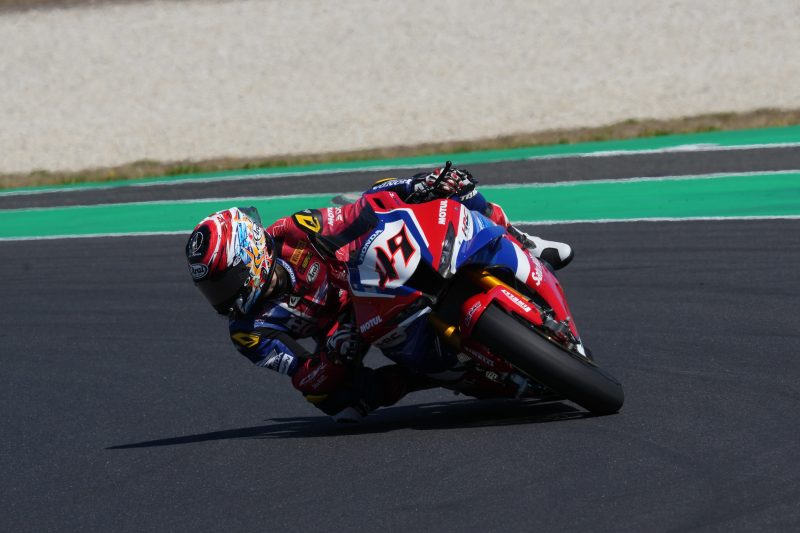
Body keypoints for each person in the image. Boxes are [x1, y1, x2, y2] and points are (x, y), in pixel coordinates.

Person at [185, 163, 573, 421]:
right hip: (346, 332)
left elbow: (356, 213)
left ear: (251, 253)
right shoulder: (248, 332)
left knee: (414, 188)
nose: (222, 297)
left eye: (225, 282)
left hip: (368, 277)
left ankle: (521, 239)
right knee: (332, 402)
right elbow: (302, 374)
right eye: (212, 289)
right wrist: (331, 359)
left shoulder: (293, 231)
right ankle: (419, 379)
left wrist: (419, 186)